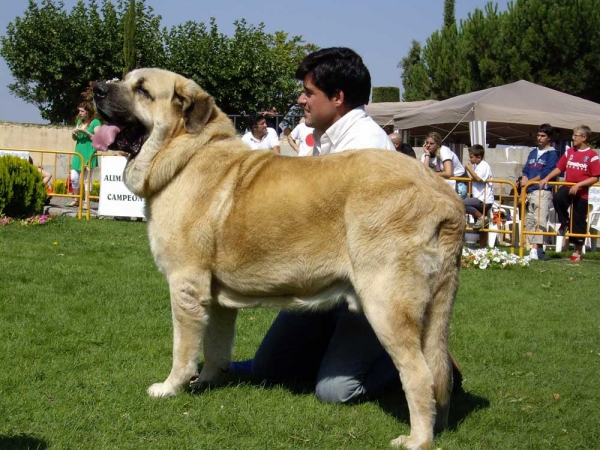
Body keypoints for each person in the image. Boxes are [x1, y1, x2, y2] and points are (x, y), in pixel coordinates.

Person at [240, 47, 461, 404]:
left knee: (336, 392)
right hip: (329, 282)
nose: (301, 99)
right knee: (267, 370)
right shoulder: (326, 138)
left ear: (337, 97)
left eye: (309, 92)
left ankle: (434, 366)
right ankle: (329, 353)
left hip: (368, 287)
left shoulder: (366, 148)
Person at [540, 125, 600, 262]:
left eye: (576, 135)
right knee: (558, 198)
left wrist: (579, 184)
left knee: (579, 221)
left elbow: (596, 176)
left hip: (582, 191)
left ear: (584, 138)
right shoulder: (569, 152)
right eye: (573, 135)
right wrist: (547, 178)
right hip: (568, 186)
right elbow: (559, 167)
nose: (573, 138)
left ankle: (577, 252)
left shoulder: (592, 156)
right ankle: (565, 221)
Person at [520, 124, 559, 260]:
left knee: (540, 220)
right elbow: (526, 169)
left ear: (549, 138)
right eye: (538, 135)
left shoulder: (553, 153)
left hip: (543, 190)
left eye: (543, 136)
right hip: (530, 191)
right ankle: (537, 250)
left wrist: (530, 181)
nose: (539, 138)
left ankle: (535, 250)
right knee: (530, 220)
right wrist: (525, 179)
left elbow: (547, 172)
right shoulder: (533, 152)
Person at [67, 101, 101, 208]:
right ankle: (76, 199)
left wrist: (86, 132)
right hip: (78, 152)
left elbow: (98, 138)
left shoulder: (95, 122)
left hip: (89, 152)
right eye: (79, 111)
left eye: (82, 111)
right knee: (74, 177)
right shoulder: (79, 122)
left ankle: (86, 202)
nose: (80, 113)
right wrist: (73, 134)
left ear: (88, 111)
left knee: (87, 179)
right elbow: (75, 139)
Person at [420, 131, 468, 198]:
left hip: (458, 183)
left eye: (431, 143)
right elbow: (424, 172)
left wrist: (430, 174)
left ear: (438, 144)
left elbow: (448, 173)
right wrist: (427, 155)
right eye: (427, 143)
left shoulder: (444, 150)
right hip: (443, 183)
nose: (428, 145)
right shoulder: (425, 155)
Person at [463, 144, 494, 230]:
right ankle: (482, 243)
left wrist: (469, 169)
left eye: (471, 157)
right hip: (479, 198)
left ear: (479, 157)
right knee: (481, 227)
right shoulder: (478, 166)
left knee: (462, 203)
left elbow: (478, 178)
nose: (470, 159)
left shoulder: (484, 165)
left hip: (483, 199)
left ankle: (482, 218)